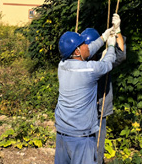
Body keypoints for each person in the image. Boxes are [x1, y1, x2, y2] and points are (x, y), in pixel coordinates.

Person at [54, 21, 120, 164]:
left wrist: (103, 37)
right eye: (83, 44)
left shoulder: (62, 65)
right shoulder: (90, 70)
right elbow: (108, 62)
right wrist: (111, 45)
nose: (86, 46)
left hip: (62, 133)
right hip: (81, 137)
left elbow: (88, 50)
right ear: (77, 51)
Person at [81, 14, 126, 163]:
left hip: (99, 111)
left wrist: (117, 31)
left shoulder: (104, 58)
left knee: (98, 147)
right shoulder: (79, 62)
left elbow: (121, 53)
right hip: (83, 111)